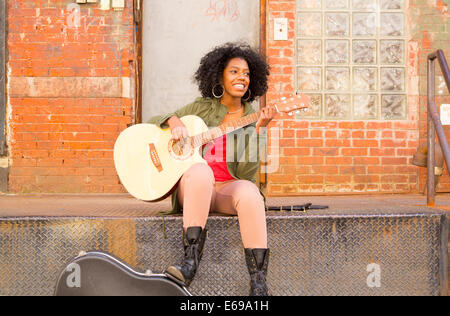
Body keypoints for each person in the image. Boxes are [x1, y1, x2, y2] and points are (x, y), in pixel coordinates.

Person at [147, 42, 275, 296]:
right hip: (195, 188)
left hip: (226, 190)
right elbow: (153, 122)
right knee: (201, 171)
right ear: (219, 76)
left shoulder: (251, 117)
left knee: (250, 192)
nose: (242, 78)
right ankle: (189, 265)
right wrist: (173, 121)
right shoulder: (202, 107)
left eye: (247, 73)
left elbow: (247, 173)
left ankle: (258, 284)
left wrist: (259, 130)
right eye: (234, 71)